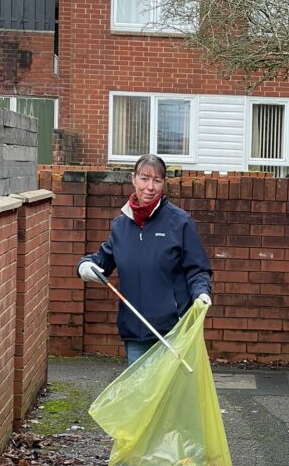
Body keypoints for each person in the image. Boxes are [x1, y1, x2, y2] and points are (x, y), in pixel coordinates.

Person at [77, 154, 212, 364]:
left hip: (172, 332)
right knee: (141, 397)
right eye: (144, 178)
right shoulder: (121, 226)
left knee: (170, 396)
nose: (150, 187)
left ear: (163, 184)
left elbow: (198, 270)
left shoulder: (180, 222)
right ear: (134, 179)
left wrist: (201, 293)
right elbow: (102, 261)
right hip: (135, 332)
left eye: (157, 180)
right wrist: (86, 266)